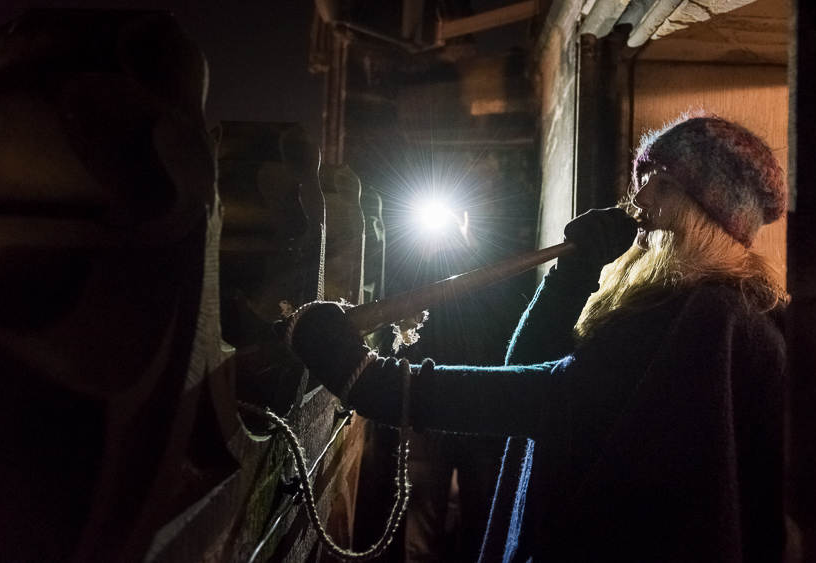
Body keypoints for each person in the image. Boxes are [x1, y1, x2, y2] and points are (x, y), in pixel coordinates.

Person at [292, 114, 789, 562]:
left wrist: (377, 384)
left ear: (702, 211)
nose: (638, 200)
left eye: (659, 185)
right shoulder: (674, 300)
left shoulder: (712, 316)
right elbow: (528, 362)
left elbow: (553, 399)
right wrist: (574, 274)